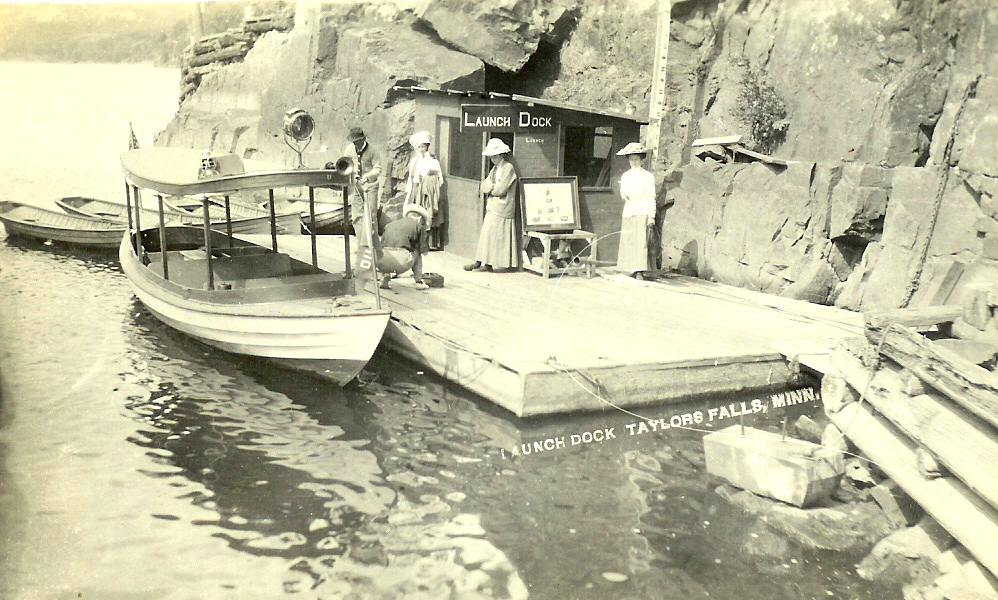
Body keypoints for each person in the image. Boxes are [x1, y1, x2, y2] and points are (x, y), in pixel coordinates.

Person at [464, 138, 518, 272]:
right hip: (493, 206)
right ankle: (483, 261)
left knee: (497, 234)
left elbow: (501, 190)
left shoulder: (508, 168)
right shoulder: (495, 169)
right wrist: (492, 186)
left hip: (503, 206)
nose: (492, 159)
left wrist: (492, 188)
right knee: (487, 233)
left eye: (494, 156)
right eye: (491, 156)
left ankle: (488, 262)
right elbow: (483, 186)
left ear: (501, 155)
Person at [615, 142, 657, 280]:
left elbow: (651, 196)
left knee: (640, 241)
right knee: (629, 239)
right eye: (631, 159)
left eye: (636, 159)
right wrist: (624, 194)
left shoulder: (647, 176)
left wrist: (651, 216)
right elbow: (623, 193)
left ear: (641, 159)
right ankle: (629, 267)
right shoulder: (626, 176)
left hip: (642, 209)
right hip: (629, 209)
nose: (634, 162)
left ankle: (640, 270)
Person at [342, 127, 383, 245]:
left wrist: (368, 176)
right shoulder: (349, 149)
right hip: (355, 185)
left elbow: (378, 168)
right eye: (354, 142)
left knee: (371, 216)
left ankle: (372, 245)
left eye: (358, 141)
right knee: (357, 216)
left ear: (363, 139)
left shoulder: (373, 151)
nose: (356, 144)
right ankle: (362, 244)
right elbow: (345, 164)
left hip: (370, 185)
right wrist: (351, 175)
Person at [403, 130, 444, 249]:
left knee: (426, 214)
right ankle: (414, 240)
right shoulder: (414, 160)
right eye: (419, 147)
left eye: (424, 147)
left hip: (427, 192)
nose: (421, 149)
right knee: (414, 213)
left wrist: (428, 180)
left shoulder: (432, 160)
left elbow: (438, 178)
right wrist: (409, 192)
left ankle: (427, 243)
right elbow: (411, 178)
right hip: (415, 190)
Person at [378, 204, 431, 290]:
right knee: (417, 252)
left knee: (386, 250)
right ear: (420, 218)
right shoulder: (418, 226)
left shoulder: (390, 224)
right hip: (402, 261)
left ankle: (385, 276)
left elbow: (381, 245)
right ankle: (418, 282)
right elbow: (424, 250)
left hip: (382, 261)